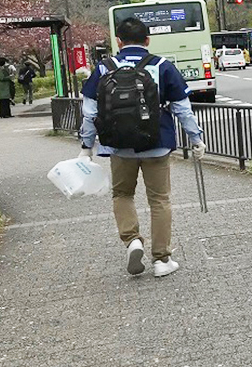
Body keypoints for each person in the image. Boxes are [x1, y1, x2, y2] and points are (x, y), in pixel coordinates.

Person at [79, 18, 207, 278]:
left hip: (119, 146)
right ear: (147, 40)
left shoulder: (104, 68)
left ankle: (132, 240)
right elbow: (183, 108)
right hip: (156, 143)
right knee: (159, 199)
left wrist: (86, 147)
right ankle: (161, 259)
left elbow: (90, 112)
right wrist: (196, 139)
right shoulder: (161, 66)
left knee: (122, 194)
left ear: (118, 41)